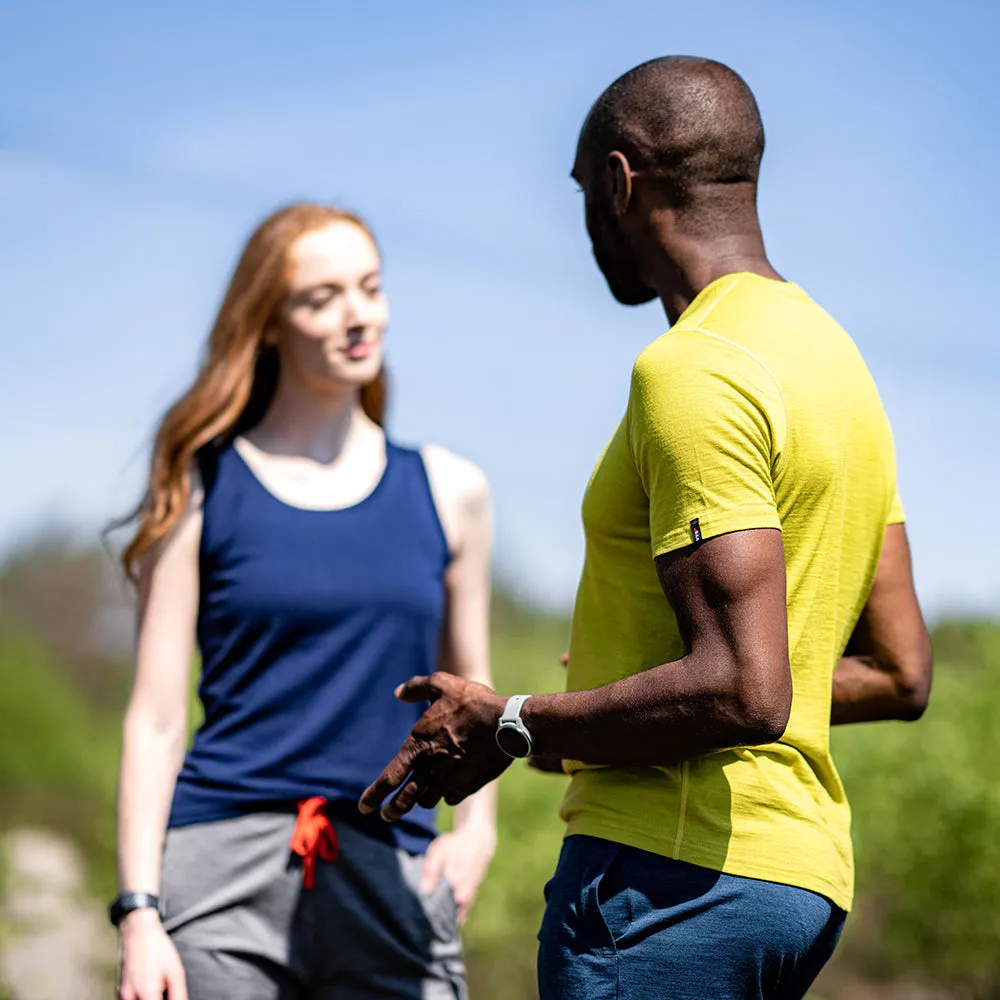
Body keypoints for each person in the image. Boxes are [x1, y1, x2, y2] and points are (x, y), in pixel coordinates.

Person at [359, 57, 933, 1000]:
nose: (588, 220)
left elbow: (746, 689)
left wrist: (508, 725)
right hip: (797, 882)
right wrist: (628, 696)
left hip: (667, 883)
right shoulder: (838, 366)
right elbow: (900, 670)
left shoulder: (692, 369)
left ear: (621, 182)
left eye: (587, 191)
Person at [111, 202, 496, 1000]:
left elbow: (473, 698)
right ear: (271, 323)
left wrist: (476, 832)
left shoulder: (451, 490)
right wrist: (139, 913)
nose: (358, 316)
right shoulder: (199, 490)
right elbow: (154, 719)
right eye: (322, 297)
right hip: (219, 871)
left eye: (369, 287)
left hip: (394, 862)